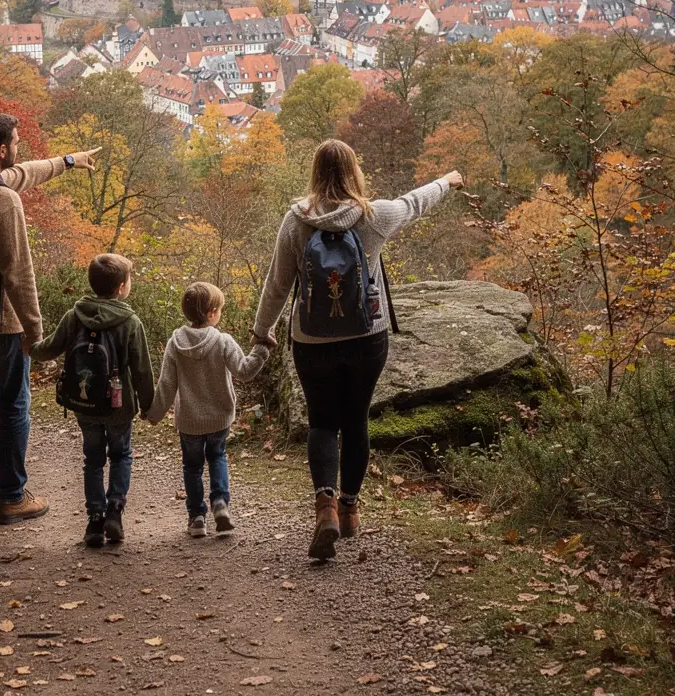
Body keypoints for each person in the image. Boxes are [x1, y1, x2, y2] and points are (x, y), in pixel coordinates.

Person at [252, 139, 463, 561]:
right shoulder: (375, 216)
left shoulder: (296, 222)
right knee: (356, 421)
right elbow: (415, 202)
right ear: (354, 171)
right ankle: (350, 509)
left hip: (312, 340)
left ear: (315, 172)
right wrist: (447, 180)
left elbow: (277, 284)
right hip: (368, 337)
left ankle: (325, 506)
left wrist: (262, 332)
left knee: (322, 423)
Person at [0, 112, 100, 527]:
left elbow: (25, 173)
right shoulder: (2, 202)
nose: (20, 149)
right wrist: (36, 332)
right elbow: (19, 273)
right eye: (16, 142)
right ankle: (11, 498)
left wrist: (68, 161)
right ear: (2, 150)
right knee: (14, 406)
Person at [30, 253, 154, 547]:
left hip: (84, 405)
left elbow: (50, 348)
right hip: (118, 404)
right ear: (122, 287)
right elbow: (141, 370)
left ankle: (94, 520)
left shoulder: (75, 315)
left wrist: (29, 346)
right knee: (121, 454)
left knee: (93, 459)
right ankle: (115, 511)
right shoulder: (130, 322)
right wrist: (149, 405)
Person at [146, 281, 269, 539]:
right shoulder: (222, 341)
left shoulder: (175, 343)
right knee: (217, 457)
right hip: (219, 418)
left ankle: (197, 518)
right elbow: (245, 371)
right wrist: (261, 348)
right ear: (212, 312)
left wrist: (154, 414)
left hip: (189, 421)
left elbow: (166, 385)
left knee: (192, 467)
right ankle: (220, 503)